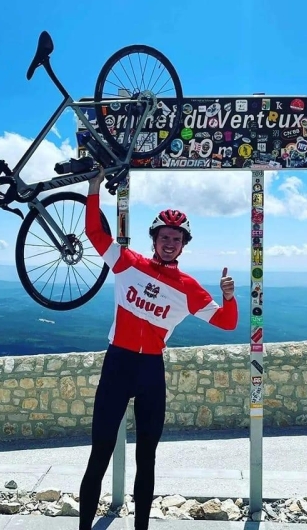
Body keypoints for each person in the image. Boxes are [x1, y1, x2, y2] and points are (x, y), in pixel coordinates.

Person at [79, 168, 238, 530]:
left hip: (151, 370)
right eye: (164, 236)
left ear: (184, 244)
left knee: (146, 458)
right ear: (154, 239)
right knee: (99, 453)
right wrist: (92, 187)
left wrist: (229, 297)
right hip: (117, 363)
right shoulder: (127, 262)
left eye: (176, 238)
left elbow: (227, 322)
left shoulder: (188, 287)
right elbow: (93, 232)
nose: (170, 242)